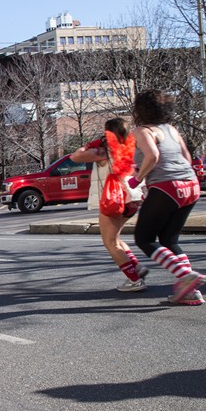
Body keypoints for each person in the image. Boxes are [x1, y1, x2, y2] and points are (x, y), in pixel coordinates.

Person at [128, 90, 206, 305]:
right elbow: (187, 158)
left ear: (140, 109)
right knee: (169, 240)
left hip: (167, 187)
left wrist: (138, 179)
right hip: (191, 186)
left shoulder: (142, 131)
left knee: (144, 239)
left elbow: (153, 156)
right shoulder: (172, 129)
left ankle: (185, 275)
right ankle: (190, 291)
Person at [70, 117, 147, 292]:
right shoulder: (130, 149)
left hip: (114, 200)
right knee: (116, 239)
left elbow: (75, 156)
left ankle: (134, 280)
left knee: (110, 242)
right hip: (132, 198)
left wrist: (90, 145)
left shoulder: (103, 152)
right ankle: (136, 267)